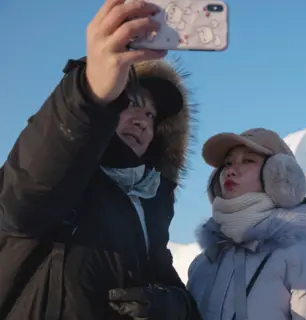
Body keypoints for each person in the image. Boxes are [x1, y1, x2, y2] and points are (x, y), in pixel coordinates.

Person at [0, 0, 201, 319]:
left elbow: (172, 287)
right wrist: (89, 90)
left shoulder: (150, 203)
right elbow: (21, 200)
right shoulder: (59, 175)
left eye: (151, 116)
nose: (142, 120)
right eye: (132, 104)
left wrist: (171, 306)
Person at [187, 128, 306, 320]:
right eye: (228, 163)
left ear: (279, 175)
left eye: (248, 160)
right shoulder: (203, 263)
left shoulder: (305, 257)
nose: (230, 170)